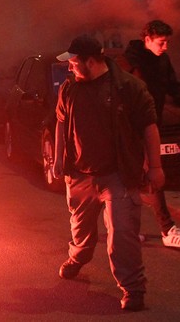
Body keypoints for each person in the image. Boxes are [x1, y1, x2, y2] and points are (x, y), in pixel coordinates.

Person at [53, 35, 164, 312]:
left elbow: (149, 126)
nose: (70, 68)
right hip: (80, 175)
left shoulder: (128, 87)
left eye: (75, 63)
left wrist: (156, 167)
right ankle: (78, 257)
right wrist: (57, 160)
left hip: (118, 175)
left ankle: (133, 289)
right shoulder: (69, 89)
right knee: (81, 232)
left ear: (92, 62)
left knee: (123, 233)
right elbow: (60, 122)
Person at [115, 20, 180, 248]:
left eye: (167, 43)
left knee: (137, 179)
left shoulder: (162, 60)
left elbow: (173, 86)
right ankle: (167, 229)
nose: (165, 47)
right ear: (148, 39)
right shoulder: (131, 60)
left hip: (153, 124)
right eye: (161, 42)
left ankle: (128, 229)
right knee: (153, 175)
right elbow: (115, 88)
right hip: (134, 129)